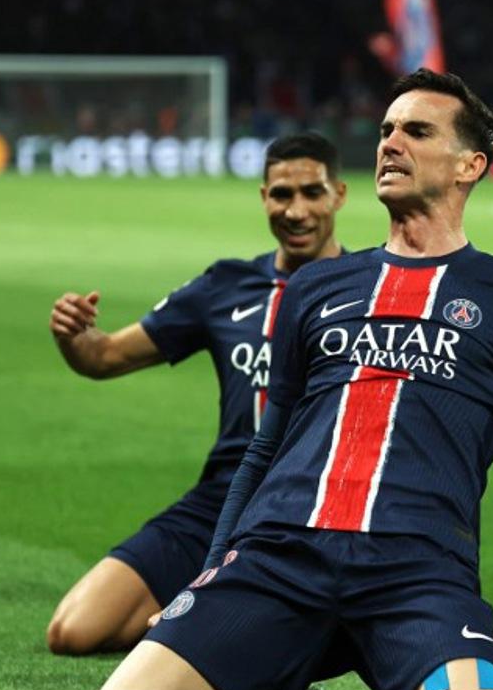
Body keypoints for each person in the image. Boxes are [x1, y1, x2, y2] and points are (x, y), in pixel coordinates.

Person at [80, 68, 493, 690]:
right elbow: (265, 447)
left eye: (417, 131)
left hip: (421, 575)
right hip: (277, 556)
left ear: (469, 165)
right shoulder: (316, 288)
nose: (390, 143)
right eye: (386, 130)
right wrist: (209, 571)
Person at [46, 132, 348, 658]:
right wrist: (74, 337)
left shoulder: (370, 286)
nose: (296, 210)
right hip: (223, 498)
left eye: (311, 192)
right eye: (281, 194)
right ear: (263, 197)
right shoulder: (225, 286)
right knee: (73, 631)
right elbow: (104, 357)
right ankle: (206, 625)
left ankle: (216, 630)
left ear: (338, 195)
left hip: (315, 510)